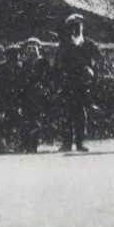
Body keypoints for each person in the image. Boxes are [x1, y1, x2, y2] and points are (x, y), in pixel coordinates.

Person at [55, 13, 100, 153]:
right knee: (67, 113)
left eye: (78, 25)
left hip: (83, 84)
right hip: (68, 83)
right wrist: (61, 76)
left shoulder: (88, 43)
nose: (76, 28)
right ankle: (66, 143)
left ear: (82, 26)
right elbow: (58, 63)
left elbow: (99, 59)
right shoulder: (65, 44)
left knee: (81, 113)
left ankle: (80, 143)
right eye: (73, 26)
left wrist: (92, 71)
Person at [13, 37, 53, 153]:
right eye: (29, 49)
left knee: (37, 121)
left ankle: (33, 145)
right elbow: (20, 80)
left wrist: (44, 87)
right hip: (26, 96)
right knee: (26, 120)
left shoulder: (43, 63)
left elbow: (49, 78)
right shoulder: (25, 64)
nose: (31, 51)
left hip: (39, 96)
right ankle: (25, 143)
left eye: (33, 48)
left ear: (38, 49)